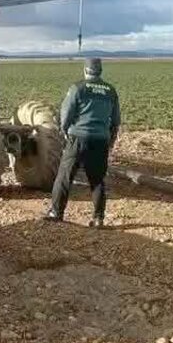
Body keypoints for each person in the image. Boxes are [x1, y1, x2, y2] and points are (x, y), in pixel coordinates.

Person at [43, 57, 121, 227]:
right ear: (100, 71)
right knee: (97, 179)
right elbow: (115, 121)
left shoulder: (77, 88)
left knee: (64, 176)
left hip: (78, 139)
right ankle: (99, 218)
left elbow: (66, 114)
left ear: (85, 71)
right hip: (100, 140)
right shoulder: (111, 91)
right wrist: (110, 140)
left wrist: (64, 132)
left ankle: (56, 212)